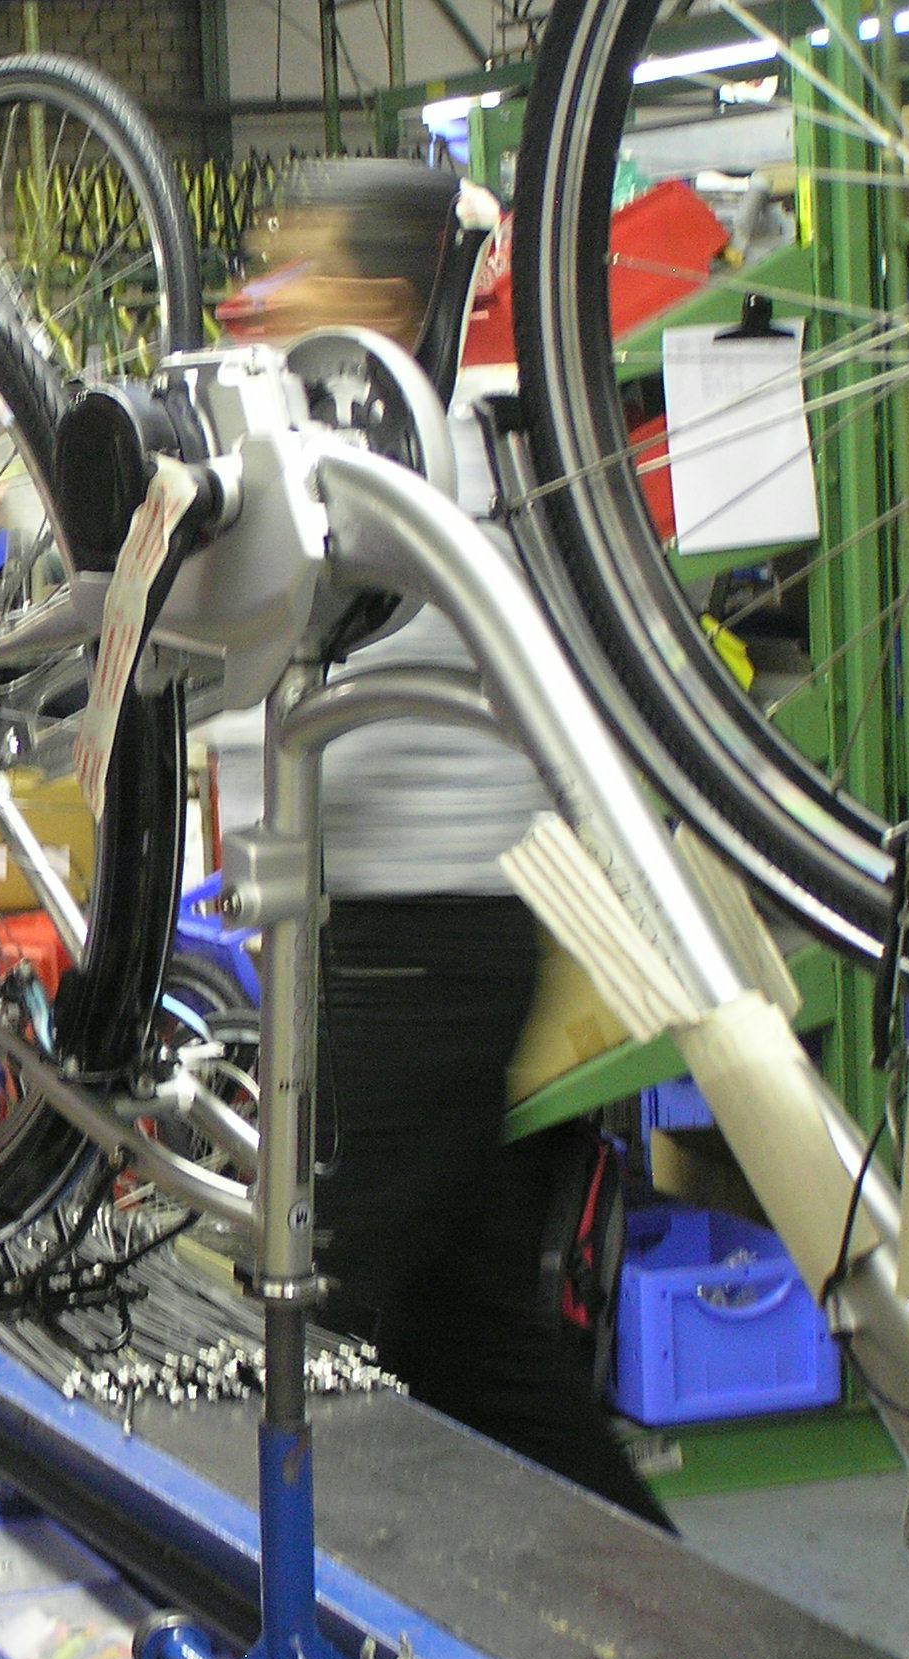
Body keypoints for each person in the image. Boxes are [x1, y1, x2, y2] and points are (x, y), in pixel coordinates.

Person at [209, 159, 674, 1530]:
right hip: (399, 945)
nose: (272, 295)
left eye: (305, 269)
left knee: (319, 1325)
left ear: (389, 300)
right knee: (473, 1339)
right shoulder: (348, 442)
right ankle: (672, 1611)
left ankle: (300, 1619)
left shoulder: (428, 458)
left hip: (413, 950)